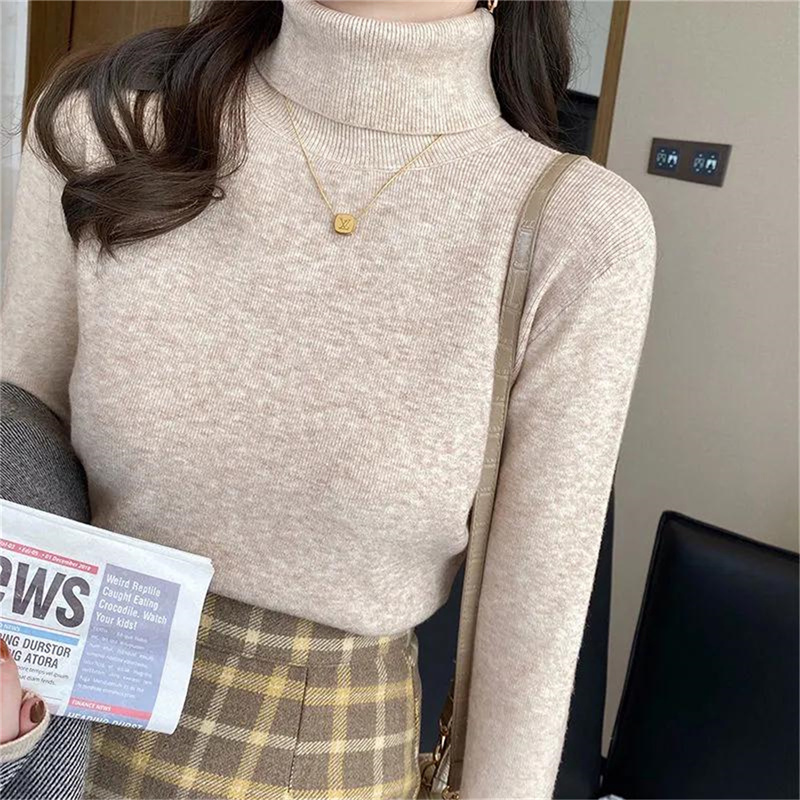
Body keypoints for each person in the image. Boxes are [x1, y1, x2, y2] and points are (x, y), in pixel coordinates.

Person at [0, 0, 657, 797]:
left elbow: (533, 633)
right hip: (46, 727)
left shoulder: (574, 231)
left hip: (328, 760)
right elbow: (18, 454)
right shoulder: (103, 127)